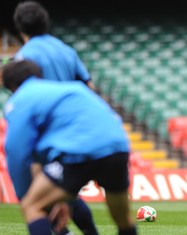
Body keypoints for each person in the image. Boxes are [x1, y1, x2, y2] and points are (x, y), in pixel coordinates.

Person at [1, 59, 137, 235]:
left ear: (11, 86)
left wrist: (24, 194)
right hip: (117, 147)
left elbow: (17, 151)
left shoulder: (19, 100)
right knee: (122, 218)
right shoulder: (73, 88)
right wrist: (60, 199)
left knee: (32, 206)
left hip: (77, 152)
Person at [12, 1, 97, 234]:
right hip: (76, 128)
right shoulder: (65, 50)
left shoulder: (23, 58)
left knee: (35, 197)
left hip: (47, 131)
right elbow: (88, 85)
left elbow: (25, 100)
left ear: (20, 26)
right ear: (45, 22)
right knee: (65, 192)